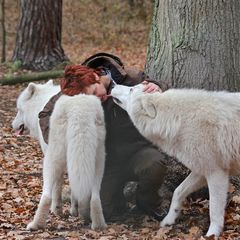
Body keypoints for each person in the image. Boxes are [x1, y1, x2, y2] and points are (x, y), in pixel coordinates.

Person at [38, 53, 169, 220]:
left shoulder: (130, 78)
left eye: (94, 93)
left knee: (155, 164)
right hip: (104, 162)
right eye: (89, 99)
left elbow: (163, 92)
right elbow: (45, 114)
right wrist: (65, 138)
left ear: (95, 77)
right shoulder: (74, 91)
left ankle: (147, 202)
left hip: (137, 151)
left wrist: (158, 86)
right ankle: (117, 203)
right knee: (89, 215)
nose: (96, 100)